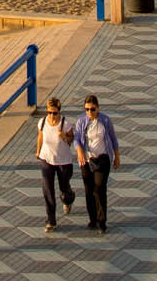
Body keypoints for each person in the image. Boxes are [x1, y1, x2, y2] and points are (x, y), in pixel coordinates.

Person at [73, 94, 121, 233]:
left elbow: (113, 139)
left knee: (99, 188)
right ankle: (92, 219)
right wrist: (80, 151)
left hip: (102, 158)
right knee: (89, 190)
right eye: (87, 109)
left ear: (98, 108)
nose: (90, 113)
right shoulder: (82, 121)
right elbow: (76, 138)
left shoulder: (105, 120)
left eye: (92, 109)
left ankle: (102, 221)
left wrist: (117, 157)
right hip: (87, 160)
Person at [35, 97, 78, 232]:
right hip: (46, 159)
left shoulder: (65, 124)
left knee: (64, 188)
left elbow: (72, 139)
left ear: (59, 111)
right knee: (48, 190)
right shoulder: (42, 122)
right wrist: (38, 152)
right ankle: (51, 221)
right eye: (49, 112)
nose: (52, 115)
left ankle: (68, 198)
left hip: (63, 162)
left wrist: (64, 137)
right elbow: (40, 137)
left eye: (54, 113)